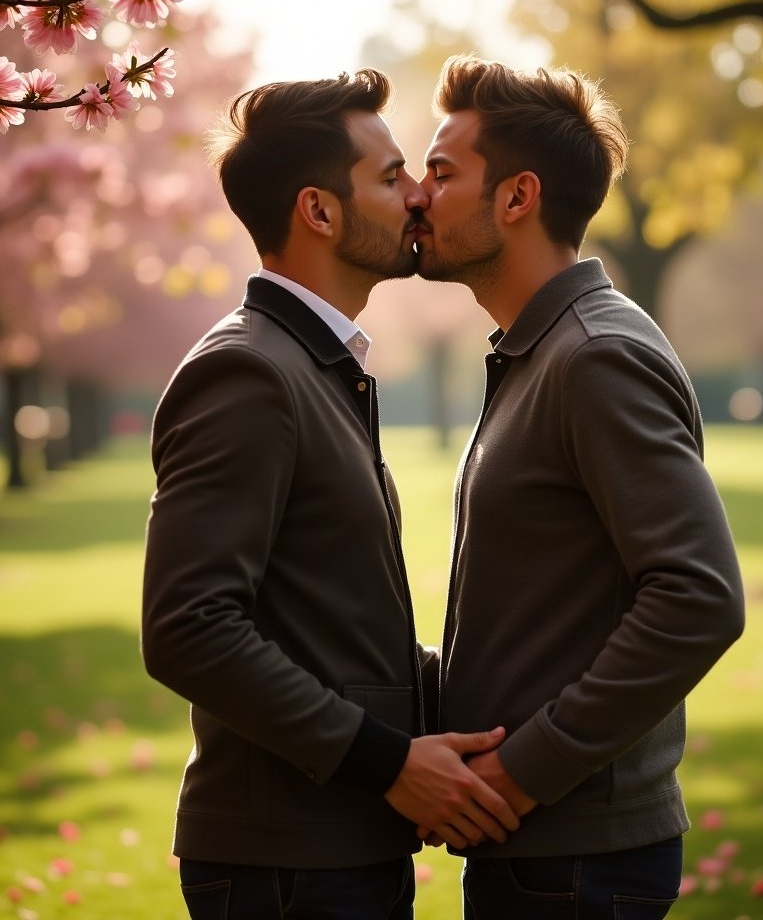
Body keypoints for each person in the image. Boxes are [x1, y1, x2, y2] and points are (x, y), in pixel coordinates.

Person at [141, 69, 519, 920]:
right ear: (318, 211)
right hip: (288, 865)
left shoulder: (315, 367)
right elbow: (186, 630)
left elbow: (329, 624)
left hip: (334, 848)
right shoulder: (247, 373)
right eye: (390, 178)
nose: (419, 194)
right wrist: (387, 762)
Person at [412, 54, 746, 918]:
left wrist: (527, 770)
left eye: (443, 173)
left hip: (577, 861)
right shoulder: (543, 348)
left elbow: (699, 596)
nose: (418, 195)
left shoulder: (593, 356)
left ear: (517, 197)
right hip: (544, 849)